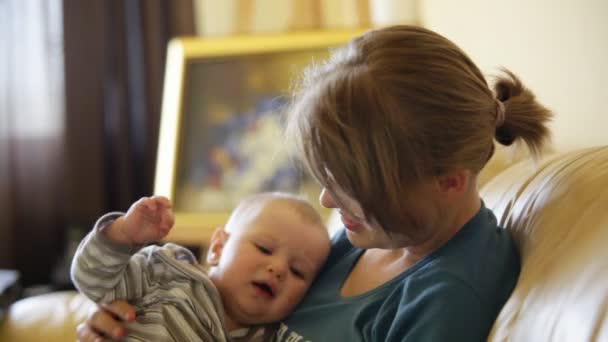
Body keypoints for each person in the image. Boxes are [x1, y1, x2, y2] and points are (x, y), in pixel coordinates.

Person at [77, 25, 553, 341]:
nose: (327, 200)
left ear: (447, 181)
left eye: (352, 186)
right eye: (327, 178)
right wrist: (118, 322)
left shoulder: (447, 296)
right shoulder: (375, 231)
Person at [71, 192, 330, 342]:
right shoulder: (167, 269)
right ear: (218, 248)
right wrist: (123, 233)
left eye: (298, 271)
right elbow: (93, 281)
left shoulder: (274, 336)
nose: (279, 269)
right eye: (264, 248)